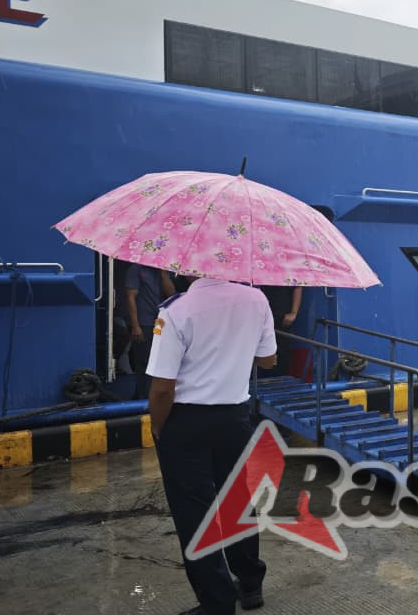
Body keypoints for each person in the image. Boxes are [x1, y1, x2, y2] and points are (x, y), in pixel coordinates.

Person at [147, 276, 277, 614]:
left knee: (194, 514)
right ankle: (249, 582)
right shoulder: (256, 299)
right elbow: (268, 361)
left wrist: (158, 427)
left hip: (186, 423)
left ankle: (218, 603)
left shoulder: (175, 310)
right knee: (237, 501)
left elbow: (162, 388)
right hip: (234, 418)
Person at [124, 263, 175, 398]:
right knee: (144, 361)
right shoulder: (136, 269)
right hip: (143, 323)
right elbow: (130, 297)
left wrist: (164, 274)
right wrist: (135, 326)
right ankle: (141, 396)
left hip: (160, 322)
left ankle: (153, 394)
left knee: (158, 359)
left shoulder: (164, 271)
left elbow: (171, 294)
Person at [260, 285, 302, 377]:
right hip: (263, 314)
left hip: (282, 315)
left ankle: (279, 379)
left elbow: (297, 286)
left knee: (281, 351)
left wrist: (293, 312)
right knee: (262, 348)